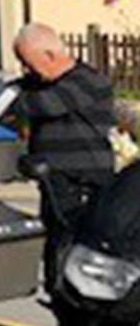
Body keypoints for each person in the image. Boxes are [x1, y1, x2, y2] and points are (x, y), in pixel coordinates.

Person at [14, 22, 117, 272]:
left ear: (50, 55)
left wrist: (6, 102)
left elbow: (46, 105)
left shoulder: (88, 81)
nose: (27, 69)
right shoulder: (38, 83)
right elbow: (8, 93)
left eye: (29, 62)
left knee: (81, 249)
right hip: (53, 181)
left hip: (85, 180)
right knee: (55, 247)